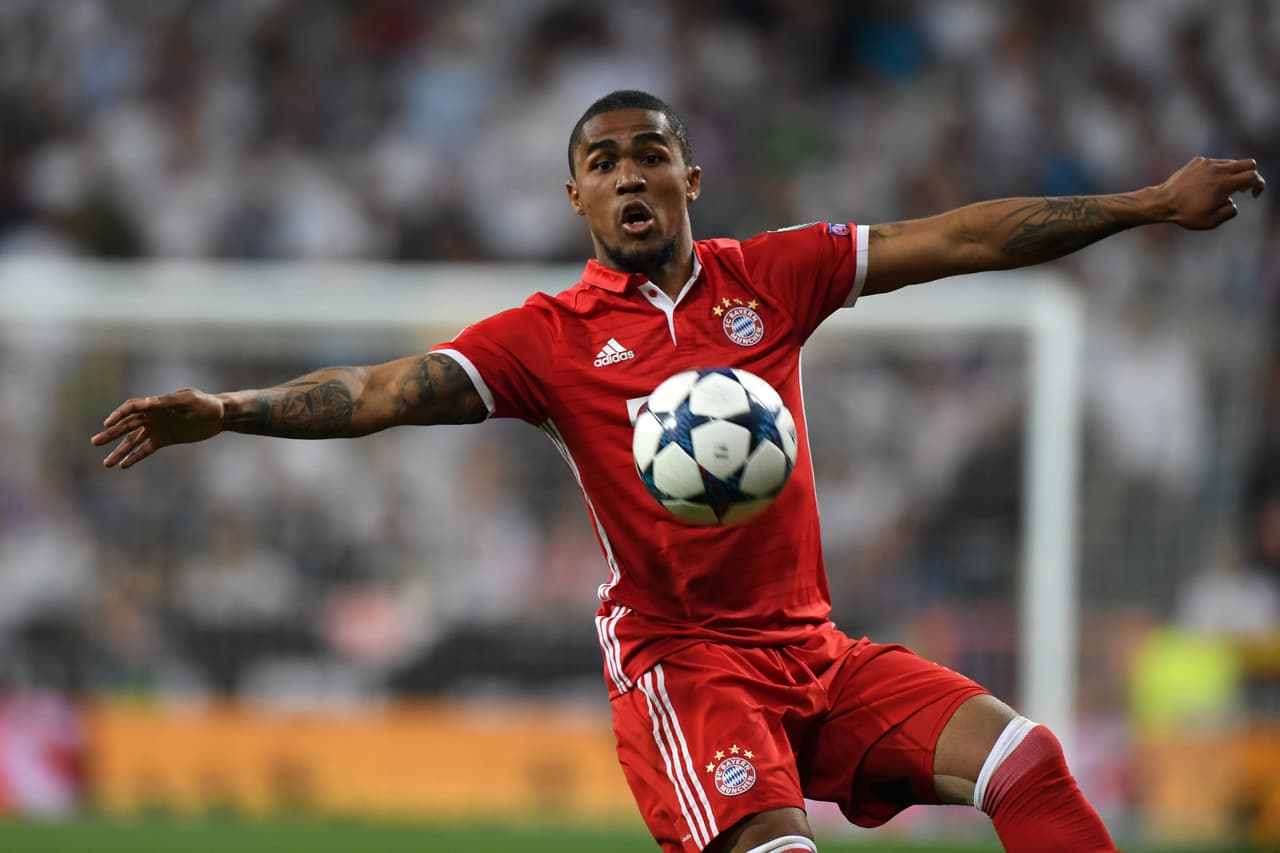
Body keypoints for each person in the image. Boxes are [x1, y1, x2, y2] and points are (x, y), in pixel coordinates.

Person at [91, 90, 1265, 853]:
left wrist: (1148, 203)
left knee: (1026, 759)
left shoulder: (773, 278)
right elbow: (385, 390)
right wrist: (230, 411)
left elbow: (959, 237)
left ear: (689, 179)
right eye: (602, 162)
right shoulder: (547, 338)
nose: (628, 175)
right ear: (576, 198)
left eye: (650, 154)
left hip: (814, 647)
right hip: (683, 664)